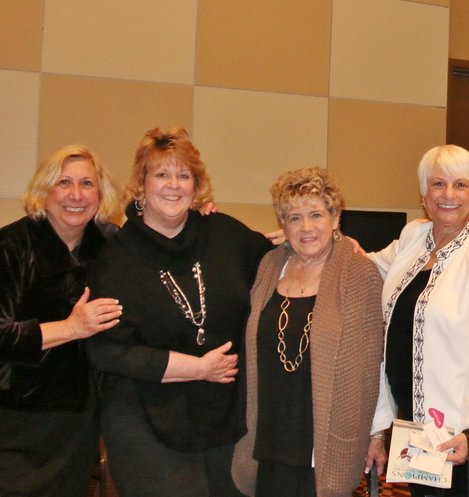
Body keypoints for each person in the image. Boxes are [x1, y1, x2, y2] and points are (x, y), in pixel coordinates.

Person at [87, 128, 273, 497]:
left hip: (225, 420)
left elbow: (278, 261)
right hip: (145, 422)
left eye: (183, 175)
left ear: (197, 185)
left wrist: (328, 240)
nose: (173, 185)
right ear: (141, 184)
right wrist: (198, 368)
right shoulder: (115, 257)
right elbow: (107, 350)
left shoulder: (226, 234)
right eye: (161, 174)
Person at [368, 144, 469, 497]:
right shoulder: (412, 238)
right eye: (438, 184)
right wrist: (318, 239)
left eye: (460, 185)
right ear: (423, 193)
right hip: (411, 421)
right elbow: (365, 265)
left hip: (457, 432)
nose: (448, 194)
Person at [230, 168, 385, 497]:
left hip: (324, 440)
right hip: (268, 434)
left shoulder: (359, 274)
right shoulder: (269, 265)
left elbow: (375, 363)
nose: (306, 227)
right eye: (294, 217)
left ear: (335, 218)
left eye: (316, 214)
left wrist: (377, 434)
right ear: (283, 225)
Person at [0, 145, 123, 497]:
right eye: (64, 182)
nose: (75, 194)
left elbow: (161, 238)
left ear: (101, 193)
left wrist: (201, 216)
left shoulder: (111, 245)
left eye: (87, 183)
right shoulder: (11, 246)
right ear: (44, 190)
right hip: (15, 416)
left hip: (79, 421)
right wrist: (71, 328)